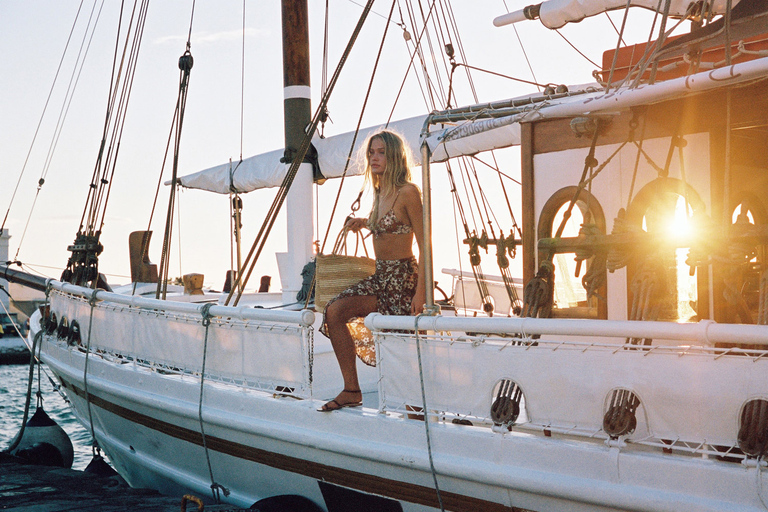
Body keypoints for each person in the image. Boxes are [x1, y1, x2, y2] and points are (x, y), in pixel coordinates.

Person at [319, 130, 425, 412]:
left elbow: (426, 245)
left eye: (381, 153)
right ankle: (351, 390)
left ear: (394, 157)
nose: (374, 158)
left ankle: (418, 410)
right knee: (335, 311)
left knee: (402, 348)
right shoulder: (379, 191)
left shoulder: (408, 192)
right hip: (381, 277)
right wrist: (364, 222)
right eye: (371, 153)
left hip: (403, 279)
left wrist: (421, 293)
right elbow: (388, 224)